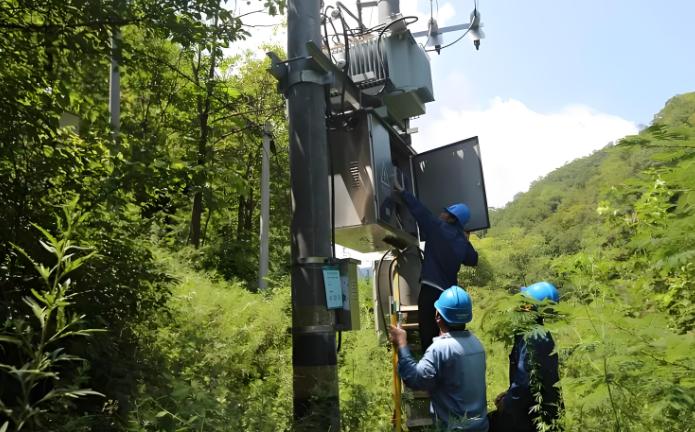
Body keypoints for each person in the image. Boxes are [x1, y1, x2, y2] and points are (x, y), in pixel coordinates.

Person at [392, 180, 478, 352]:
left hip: (431, 292)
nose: (441, 213)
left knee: (428, 339)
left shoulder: (438, 228)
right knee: (449, 338)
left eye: (445, 212)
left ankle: (430, 372)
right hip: (448, 297)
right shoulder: (462, 241)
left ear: (452, 218)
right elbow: (473, 259)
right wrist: (465, 239)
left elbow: (420, 212)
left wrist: (402, 191)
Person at [389, 286, 489, 431]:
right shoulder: (477, 344)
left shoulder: (440, 349)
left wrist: (402, 343)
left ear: (437, 316)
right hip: (481, 427)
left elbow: (415, 379)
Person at [488, 282, 563, 432]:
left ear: (530, 308)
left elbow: (524, 383)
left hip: (531, 417)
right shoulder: (540, 334)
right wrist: (509, 394)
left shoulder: (532, 338)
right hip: (542, 411)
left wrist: (507, 402)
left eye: (523, 302)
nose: (519, 306)